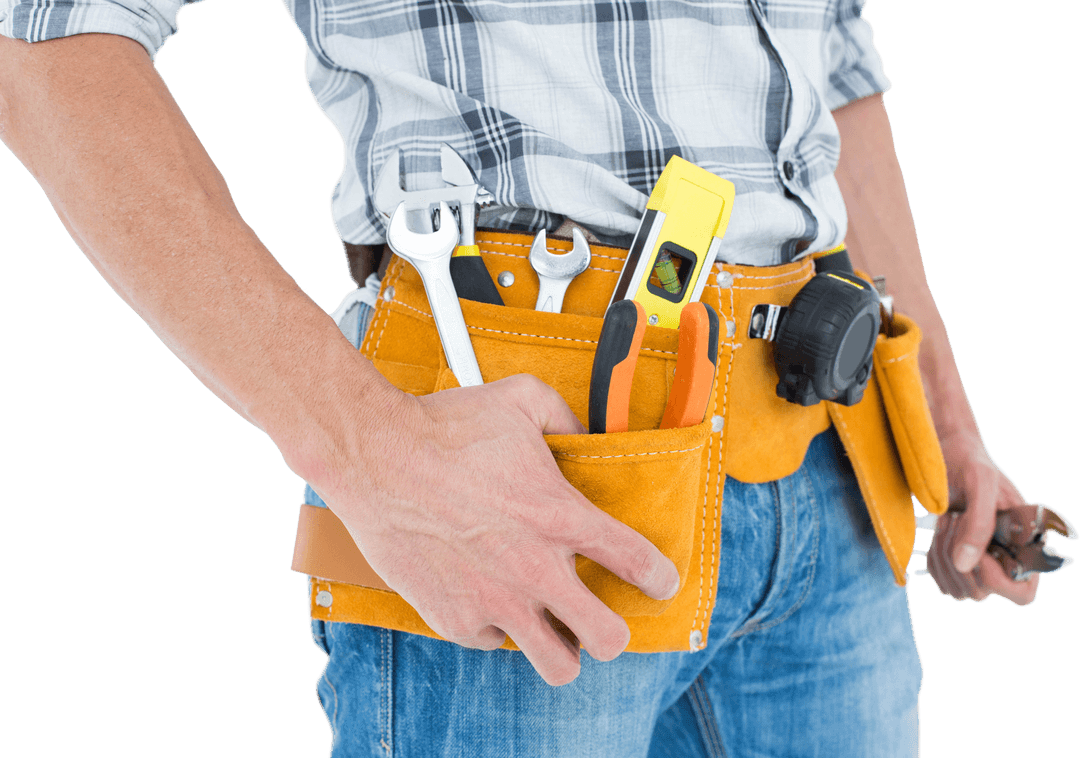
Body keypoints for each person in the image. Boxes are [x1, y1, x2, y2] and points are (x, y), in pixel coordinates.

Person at [0, 1, 1047, 755]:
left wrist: (942, 417)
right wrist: (374, 449)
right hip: (528, 501)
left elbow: (838, 68)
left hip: (835, 482)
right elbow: (40, 51)